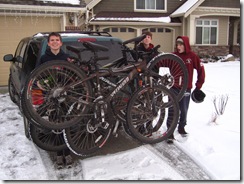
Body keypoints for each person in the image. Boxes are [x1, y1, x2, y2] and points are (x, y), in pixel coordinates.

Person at [36, 32, 73, 168]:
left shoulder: (67, 58)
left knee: (66, 124)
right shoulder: (44, 58)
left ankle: (67, 154)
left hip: (65, 97)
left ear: (61, 43)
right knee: (54, 126)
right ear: (49, 43)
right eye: (52, 40)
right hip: (51, 97)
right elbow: (37, 75)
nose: (55, 42)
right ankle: (58, 155)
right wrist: (40, 83)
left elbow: (74, 75)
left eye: (57, 40)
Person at [167, 36, 205, 143]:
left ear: (185, 45)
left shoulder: (192, 56)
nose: (178, 47)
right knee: (172, 110)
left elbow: (201, 69)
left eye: (181, 45)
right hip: (173, 88)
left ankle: (181, 127)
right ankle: (169, 132)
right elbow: (161, 62)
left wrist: (198, 86)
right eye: (177, 45)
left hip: (186, 89)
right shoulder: (173, 56)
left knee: (184, 110)